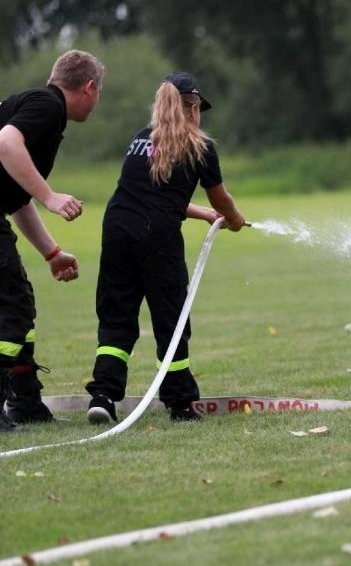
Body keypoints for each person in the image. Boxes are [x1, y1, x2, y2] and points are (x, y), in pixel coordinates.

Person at [86, 71, 246, 425]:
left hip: (117, 228)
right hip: (157, 239)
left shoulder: (141, 139)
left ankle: (103, 395)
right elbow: (220, 196)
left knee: (116, 317)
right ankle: (179, 403)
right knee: (171, 320)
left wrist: (200, 213)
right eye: (198, 107)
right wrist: (232, 218)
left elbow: (149, 194)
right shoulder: (200, 146)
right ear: (191, 108)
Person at [0, 49, 105, 431]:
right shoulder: (47, 104)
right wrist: (51, 196)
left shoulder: (42, 111)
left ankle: (25, 402)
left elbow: (13, 199)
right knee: (11, 307)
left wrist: (52, 252)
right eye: (99, 94)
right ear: (89, 88)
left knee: (18, 304)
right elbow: (5, 143)